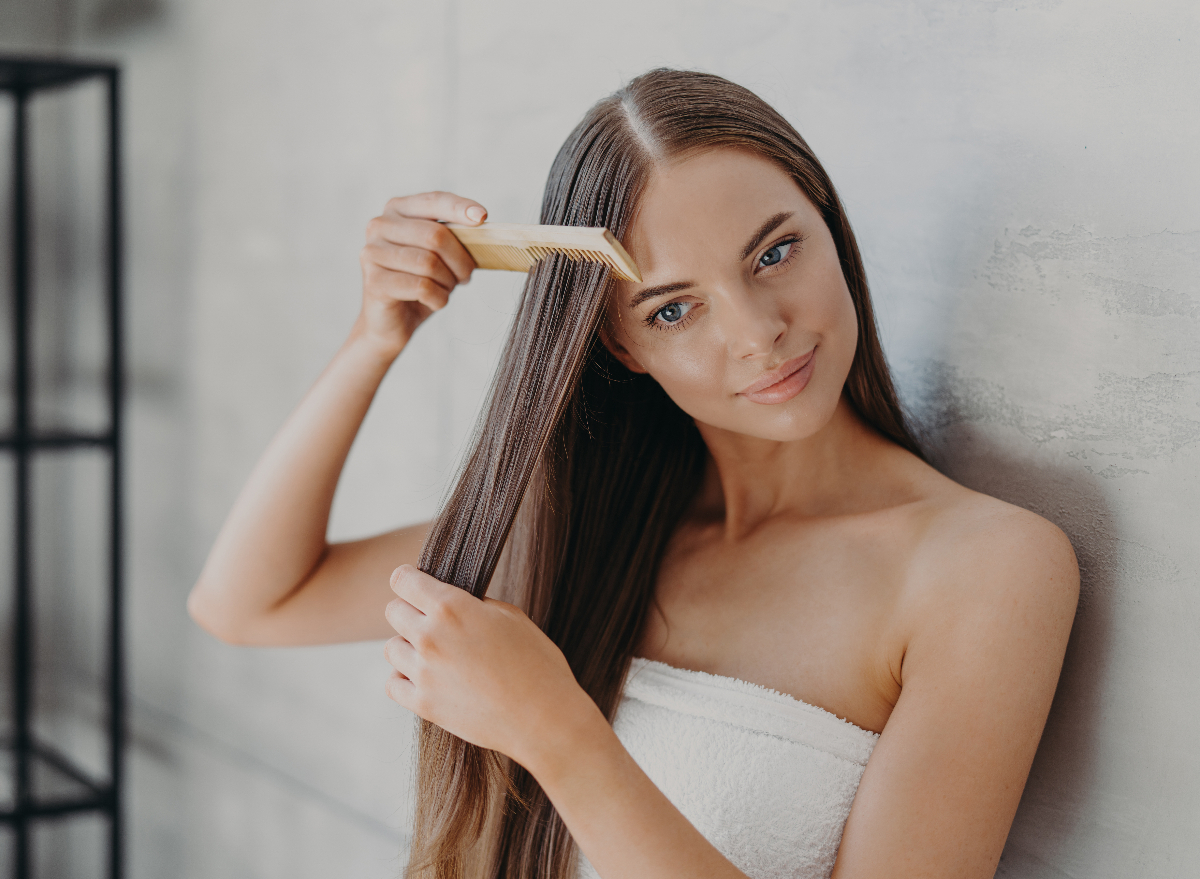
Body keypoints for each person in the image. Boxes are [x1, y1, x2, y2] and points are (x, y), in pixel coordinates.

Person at [188, 69, 1079, 879]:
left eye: (774, 252)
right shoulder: (582, 523)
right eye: (675, 308)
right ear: (621, 343)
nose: (755, 331)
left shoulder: (986, 568)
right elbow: (251, 601)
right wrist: (374, 336)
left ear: (830, 226)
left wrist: (557, 730)